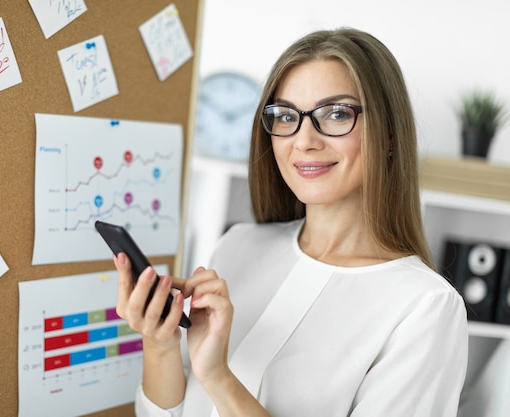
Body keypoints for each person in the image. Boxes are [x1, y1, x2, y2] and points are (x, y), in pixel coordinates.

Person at [112, 27, 468, 417]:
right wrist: (159, 342)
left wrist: (219, 378)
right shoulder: (238, 245)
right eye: (285, 116)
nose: (303, 140)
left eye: (336, 113)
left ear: (388, 135)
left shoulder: (425, 307)